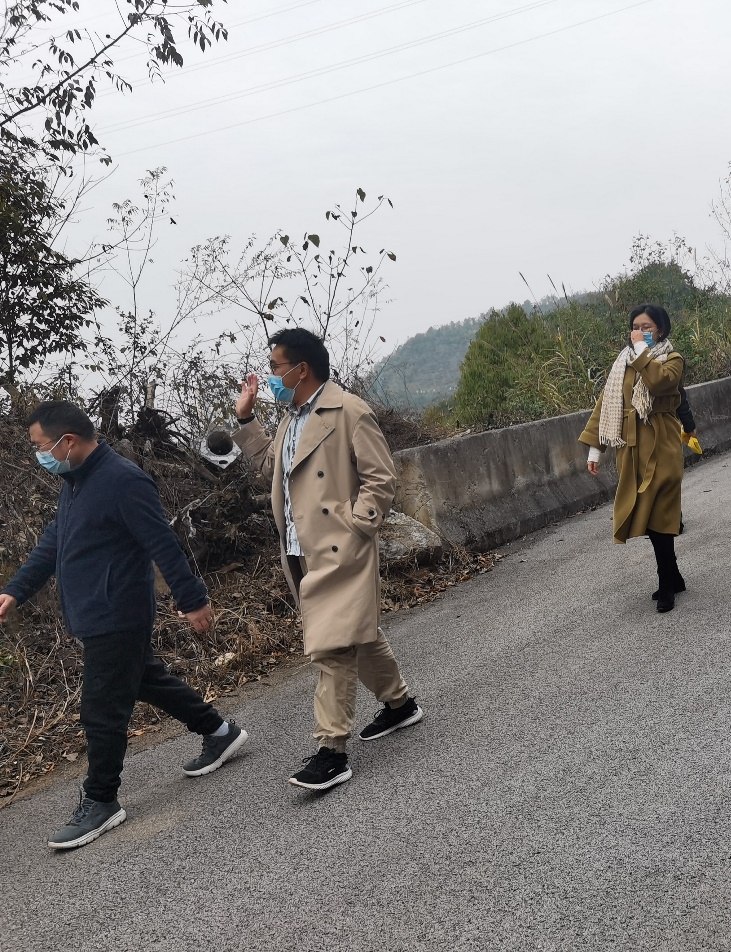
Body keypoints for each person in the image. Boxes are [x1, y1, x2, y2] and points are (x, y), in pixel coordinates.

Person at [0, 401, 246, 851]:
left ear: (67, 441)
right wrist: (15, 590)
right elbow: (54, 542)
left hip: (117, 612)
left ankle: (101, 800)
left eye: (40, 446)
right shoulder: (75, 482)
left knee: (101, 711)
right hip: (94, 612)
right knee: (146, 679)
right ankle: (219, 732)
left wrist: (192, 599)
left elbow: (162, 542)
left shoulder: (122, 480)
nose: (39, 454)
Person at [234, 328, 419, 791]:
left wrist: (356, 527)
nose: (270, 375)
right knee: (357, 633)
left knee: (331, 648)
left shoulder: (349, 411)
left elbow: (381, 478)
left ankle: (331, 752)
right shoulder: (289, 420)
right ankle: (400, 705)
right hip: (300, 551)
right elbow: (269, 470)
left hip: (340, 548)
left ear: (301, 369)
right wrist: (246, 419)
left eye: (275, 367)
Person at [580, 304, 687, 613]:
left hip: (662, 442)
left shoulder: (672, 359)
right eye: (636, 327)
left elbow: (658, 382)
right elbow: (606, 405)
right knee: (647, 514)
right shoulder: (622, 364)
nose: (639, 332)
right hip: (630, 447)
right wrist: (595, 449)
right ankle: (674, 575)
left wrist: (641, 349)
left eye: (647, 327)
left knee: (660, 512)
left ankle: (666, 582)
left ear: (661, 330)